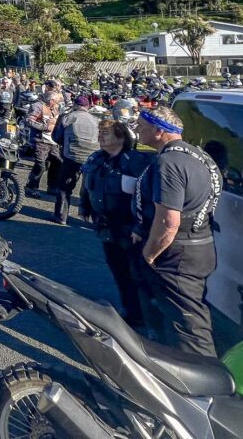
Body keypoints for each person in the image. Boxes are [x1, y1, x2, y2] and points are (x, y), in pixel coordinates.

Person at [133, 106, 222, 357]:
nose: (137, 129)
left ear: (158, 131)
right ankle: (172, 362)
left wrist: (149, 255)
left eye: (141, 125)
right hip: (199, 244)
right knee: (178, 315)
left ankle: (204, 374)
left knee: (189, 325)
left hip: (179, 252)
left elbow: (168, 221)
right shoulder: (199, 155)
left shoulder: (169, 163)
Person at [79, 120, 152, 328]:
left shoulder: (136, 162)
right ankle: (130, 311)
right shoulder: (96, 158)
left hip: (129, 229)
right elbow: (86, 185)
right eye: (100, 133)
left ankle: (143, 315)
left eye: (106, 133)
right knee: (118, 270)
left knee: (136, 273)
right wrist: (84, 206)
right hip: (106, 227)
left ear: (121, 137)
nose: (101, 136)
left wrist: (140, 227)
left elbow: (147, 198)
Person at [55, 96, 100, 224]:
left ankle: (61, 216)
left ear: (75, 105)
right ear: (87, 106)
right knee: (89, 188)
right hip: (91, 157)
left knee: (65, 187)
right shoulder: (96, 120)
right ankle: (92, 220)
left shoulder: (68, 117)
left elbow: (56, 137)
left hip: (72, 156)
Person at [24, 90, 62, 199]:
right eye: (57, 102)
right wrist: (45, 127)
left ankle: (52, 187)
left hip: (53, 141)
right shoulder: (38, 106)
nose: (58, 104)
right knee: (40, 165)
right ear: (51, 101)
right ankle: (31, 187)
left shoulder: (55, 108)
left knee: (57, 162)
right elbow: (29, 121)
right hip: (40, 141)